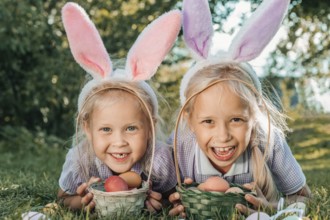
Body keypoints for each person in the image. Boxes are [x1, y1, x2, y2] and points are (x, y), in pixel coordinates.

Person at [168, 0, 311, 217]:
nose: (223, 136)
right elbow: (159, 194)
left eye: (236, 119)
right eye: (208, 121)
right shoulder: (181, 145)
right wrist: (173, 203)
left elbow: (304, 196)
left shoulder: (268, 142)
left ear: (254, 116)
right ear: (189, 119)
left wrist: (273, 208)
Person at [57, 2, 181, 213]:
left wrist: (159, 203)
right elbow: (63, 199)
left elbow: (173, 196)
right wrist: (85, 203)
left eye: (131, 128)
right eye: (106, 129)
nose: (119, 142)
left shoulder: (158, 159)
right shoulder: (81, 159)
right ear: (87, 128)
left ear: (150, 127)